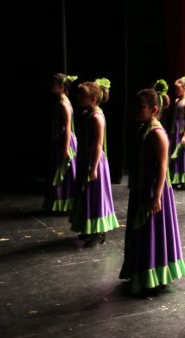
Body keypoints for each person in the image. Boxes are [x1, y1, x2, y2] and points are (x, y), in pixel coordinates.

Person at [119, 82, 185, 294]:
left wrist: (157, 196)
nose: (137, 111)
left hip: (153, 190)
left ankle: (154, 275)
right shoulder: (143, 129)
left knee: (153, 232)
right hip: (141, 189)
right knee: (140, 232)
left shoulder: (157, 133)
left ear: (154, 110)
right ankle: (140, 271)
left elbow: (162, 167)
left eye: (141, 107)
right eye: (136, 107)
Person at [70, 78, 119, 247]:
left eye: (82, 96)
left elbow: (99, 145)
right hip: (86, 159)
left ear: (93, 99)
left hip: (95, 161)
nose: (78, 98)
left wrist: (94, 167)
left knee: (95, 196)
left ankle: (99, 231)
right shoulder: (87, 114)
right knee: (87, 196)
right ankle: (90, 229)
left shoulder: (97, 117)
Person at [45, 73, 78, 212]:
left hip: (65, 141)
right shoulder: (60, 102)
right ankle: (61, 203)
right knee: (59, 171)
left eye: (54, 83)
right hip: (60, 140)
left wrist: (65, 148)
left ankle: (67, 203)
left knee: (64, 172)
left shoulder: (64, 104)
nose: (51, 86)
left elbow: (68, 127)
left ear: (62, 86)